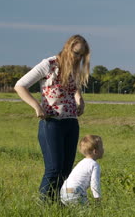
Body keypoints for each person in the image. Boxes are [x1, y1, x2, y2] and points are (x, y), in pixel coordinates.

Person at [14, 35, 90, 202]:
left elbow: (73, 87)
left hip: (71, 122)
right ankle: (43, 206)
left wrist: (80, 100)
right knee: (54, 169)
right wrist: (36, 106)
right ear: (67, 48)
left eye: (81, 55)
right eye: (76, 53)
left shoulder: (74, 68)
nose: (78, 58)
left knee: (66, 170)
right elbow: (20, 85)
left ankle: (58, 205)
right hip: (51, 123)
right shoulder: (48, 64)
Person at [60, 135, 103, 205]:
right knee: (88, 213)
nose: (103, 149)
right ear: (95, 151)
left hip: (64, 190)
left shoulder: (81, 163)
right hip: (76, 191)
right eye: (101, 147)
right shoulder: (94, 165)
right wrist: (97, 198)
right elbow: (95, 183)